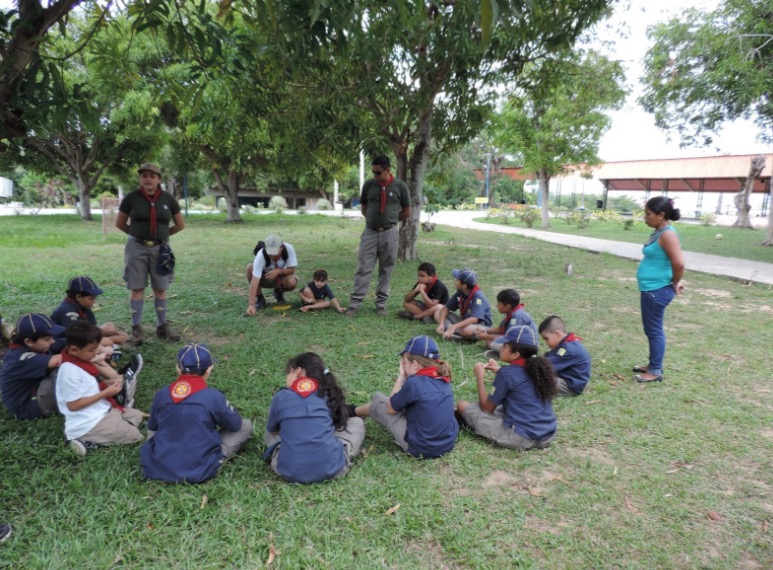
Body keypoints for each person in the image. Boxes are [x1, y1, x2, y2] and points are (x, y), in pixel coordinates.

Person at [141, 343, 253, 483]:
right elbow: (235, 425)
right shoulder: (212, 396)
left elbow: (152, 428)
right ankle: (218, 457)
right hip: (199, 470)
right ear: (209, 370)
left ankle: (163, 457)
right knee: (245, 425)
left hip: (156, 468)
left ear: (178, 368)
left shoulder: (162, 394)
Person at [264, 353, 365, 483]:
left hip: (288, 471)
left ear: (297, 372)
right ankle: (340, 452)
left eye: (288, 373)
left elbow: (273, 430)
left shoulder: (281, 396)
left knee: (268, 433)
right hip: (332, 468)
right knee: (357, 422)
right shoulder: (328, 393)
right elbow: (339, 420)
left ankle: (286, 454)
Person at [351, 336, 458, 459]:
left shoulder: (415, 382)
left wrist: (401, 377)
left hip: (422, 449)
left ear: (415, 365)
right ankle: (355, 411)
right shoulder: (443, 377)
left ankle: (351, 411)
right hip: (446, 445)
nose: (403, 365)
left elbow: (391, 408)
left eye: (404, 362)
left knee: (379, 401)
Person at [456, 325, 557, 451]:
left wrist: (480, 377)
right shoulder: (537, 369)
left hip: (522, 438)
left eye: (504, 346)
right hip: (547, 434)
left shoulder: (507, 374)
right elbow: (518, 382)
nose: (501, 348)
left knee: (462, 406)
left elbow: (486, 409)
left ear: (515, 354)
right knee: (499, 407)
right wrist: (499, 371)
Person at [116, 163, 185, 345]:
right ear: (140, 178)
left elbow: (180, 224)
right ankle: (136, 329)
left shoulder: (168, 199)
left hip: (160, 249)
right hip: (136, 247)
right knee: (137, 288)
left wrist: (161, 236)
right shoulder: (132, 198)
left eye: (152, 176)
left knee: (160, 289)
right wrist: (138, 235)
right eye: (144, 175)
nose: (148, 179)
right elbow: (120, 223)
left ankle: (162, 327)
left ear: (159, 179)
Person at [56, 321, 144, 456]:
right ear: (74, 350)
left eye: (96, 348)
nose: (95, 353)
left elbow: (86, 387)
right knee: (135, 435)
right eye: (91, 350)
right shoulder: (69, 371)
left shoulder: (80, 361)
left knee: (137, 416)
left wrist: (106, 384)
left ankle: (112, 428)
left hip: (100, 411)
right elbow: (73, 405)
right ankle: (85, 440)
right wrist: (105, 393)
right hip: (87, 423)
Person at [346, 155, 411, 317]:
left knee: (386, 269)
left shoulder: (400, 187)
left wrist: (390, 221)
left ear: (388, 170)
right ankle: (355, 304)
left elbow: (407, 211)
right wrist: (374, 221)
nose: (374, 175)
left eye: (377, 172)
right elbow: (364, 208)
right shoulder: (369, 186)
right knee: (363, 267)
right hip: (370, 233)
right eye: (373, 172)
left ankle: (381, 305)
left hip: (390, 233)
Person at [634, 196, 685, 383]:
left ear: (661, 215)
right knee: (651, 329)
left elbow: (678, 263)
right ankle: (653, 364)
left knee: (654, 330)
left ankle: (655, 370)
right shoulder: (659, 231)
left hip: (657, 291)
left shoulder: (668, 234)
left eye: (648, 214)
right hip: (651, 288)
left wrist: (674, 282)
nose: (644, 217)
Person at [0, 314, 64, 420]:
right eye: (47, 339)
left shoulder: (36, 346)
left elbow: (67, 343)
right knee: (69, 368)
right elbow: (61, 360)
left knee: (78, 352)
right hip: (28, 408)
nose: (52, 341)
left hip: (37, 391)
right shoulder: (20, 357)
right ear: (29, 341)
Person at [50, 275, 130, 355]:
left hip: (80, 339)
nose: (94, 302)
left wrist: (113, 333)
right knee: (107, 341)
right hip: (64, 346)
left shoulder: (84, 307)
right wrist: (111, 339)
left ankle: (107, 350)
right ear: (78, 297)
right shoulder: (67, 311)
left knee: (110, 327)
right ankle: (105, 352)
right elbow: (76, 338)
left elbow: (91, 328)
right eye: (91, 299)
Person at [539, 315, 592, 396]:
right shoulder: (566, 344)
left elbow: (545, 366)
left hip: (570, 386)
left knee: (537, 379)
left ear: (557, 334)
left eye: (546, 339)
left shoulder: (568, 349)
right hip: (565, 378)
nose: (546, 343)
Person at [435, 268, 492, 341]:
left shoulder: (478, 297)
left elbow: (474, 319)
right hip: (464, 321)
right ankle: (453, 332)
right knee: (438, 313)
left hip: (479, 325)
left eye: (457, 280)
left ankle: (453, 332)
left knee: (466, 331)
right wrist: (441, 323)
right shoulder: (461, 292)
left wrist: (453, 327)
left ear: (464, 286)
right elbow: (446, 308)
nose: (455, 281)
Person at [246, 235, 298, 314]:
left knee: (292, 281)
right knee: (250, 268)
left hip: (280, 278)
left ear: (281, 248)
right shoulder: (261, 254)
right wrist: (251, 305)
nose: (272, 256)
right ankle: (260, 298)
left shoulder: (289, 249)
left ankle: (278, 292)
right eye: (270, 253)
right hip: (265, 278)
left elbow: (292, 270)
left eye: (275, 253)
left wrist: (278, 271)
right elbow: (254, 280)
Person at [478, 289, 537, 358]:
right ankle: (503, 353)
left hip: (525, 346)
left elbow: (511, 338)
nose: (497, 306)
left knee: (491, 341)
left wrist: (486, 336)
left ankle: (502, 354)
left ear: (507, 306)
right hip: (514, 340)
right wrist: (486, 331)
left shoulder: (517, 317)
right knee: (489, 337)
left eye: (499, 304)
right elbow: (501, 328)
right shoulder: (510, 311)